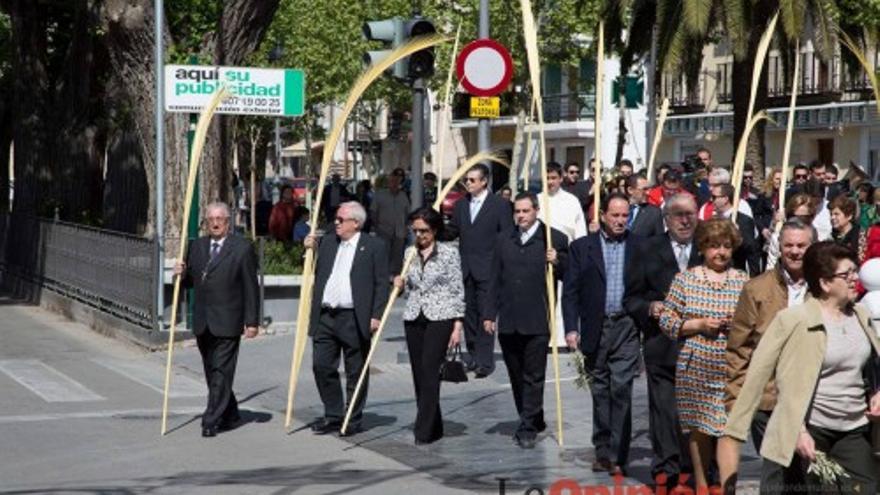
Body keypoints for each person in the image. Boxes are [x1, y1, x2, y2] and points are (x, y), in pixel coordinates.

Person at [719, 241, 880, 495]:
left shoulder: (861, 314)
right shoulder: (794, 320)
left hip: (853, 428)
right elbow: (760, 371)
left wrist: (876, 391)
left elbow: (872, 365)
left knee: (868, 487)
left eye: (854, 272)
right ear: (825, 283)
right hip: (810, 429)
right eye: (846, 274)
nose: (854, 279)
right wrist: (736, 429)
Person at [658, 218, 749, 491]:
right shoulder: (685, 279)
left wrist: (738, 324)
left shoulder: (743, 281)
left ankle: (727, 485)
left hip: (731, 366)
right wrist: (697, 325)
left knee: (728, 429)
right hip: (695, 364)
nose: (720, 252)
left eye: (725, 246)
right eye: (713, 246)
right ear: (702, 248)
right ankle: (701, 483)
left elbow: (755, 322)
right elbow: (666, 320)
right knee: (699, 429)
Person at [623, 193, 702, 488]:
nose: (685, 220)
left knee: (697, 409)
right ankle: (666, 466)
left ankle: (697, 464)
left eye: (690, 214)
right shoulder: (646, 249)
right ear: (666, 219)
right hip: (663, 344)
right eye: (678, 214)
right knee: (664, 410)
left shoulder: (709, 247)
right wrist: (650, 308)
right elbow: (631, 298)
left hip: (702, 346)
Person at [563, 193, 643, 474]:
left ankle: (619, 456)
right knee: (600, 390)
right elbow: (570, 291)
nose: (621, 221)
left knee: (621, 387)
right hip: (596, 326)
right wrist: (571, 328)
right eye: (615, 215)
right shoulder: (582, 248)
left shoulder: (638, 246)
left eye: (625, 215)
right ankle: (603, 450)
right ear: (603, 216)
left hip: (627, 326)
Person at [725, 219, 815, 453]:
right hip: (768, 397)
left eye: (801, 246)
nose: (794, 252)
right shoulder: (756, 289)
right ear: (779, 247)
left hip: (815, 399)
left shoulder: (824, 287)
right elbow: (739, 347)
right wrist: (735, 398)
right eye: (789, 246)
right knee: (775, 472)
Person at [487, 192, 568, 449]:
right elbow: (494, 279)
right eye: (517, 211)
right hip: (510, 319)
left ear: (536, 210)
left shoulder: (553, 239)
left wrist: (558, 260)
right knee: (516, 375)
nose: (521, 216)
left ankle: (527, 426)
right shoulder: (503, 239)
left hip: (537, 318)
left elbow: (570, 272)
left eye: (526, 211)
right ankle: (533, 414)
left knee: (534, 375)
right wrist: (489, 314)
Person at [174, 202, 259, 438]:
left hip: (229, 320)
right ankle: (230, 412)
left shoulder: (241, 248)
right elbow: (192, 281)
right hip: (203, 321)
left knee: (221, 370)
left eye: (220, 218)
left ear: (228, 222)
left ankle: (211, 419)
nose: (215, 222)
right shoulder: (197, 246)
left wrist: (252, 321)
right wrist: (181, 275)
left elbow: (251, 287)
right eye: (211, 218)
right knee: (212, 370)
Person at [304, 201, 390, 436]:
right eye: (336, 219)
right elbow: (313, 263)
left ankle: (352, 418)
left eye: (341, 220)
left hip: (354, 317)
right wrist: (308, 247)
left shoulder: (373, 246)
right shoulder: (329, 243)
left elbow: (382, 283)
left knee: (356, 370)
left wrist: (376, 314)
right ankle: (333, 414)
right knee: (321, 365)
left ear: (356, 222)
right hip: (326, 316)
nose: (336, 223)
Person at [393, 207, 464, 445]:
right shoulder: (409, 254)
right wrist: (400, 285)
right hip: (414, 316)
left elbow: (457, 289)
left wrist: (457, 324)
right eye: (415, 231)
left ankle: (422, 429)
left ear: (434, 230)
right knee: (418, 373)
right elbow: (409, 291)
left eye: (423, 230)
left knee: (430, 370)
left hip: (440, 317)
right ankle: (435, 425)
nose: (419, 235)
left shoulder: (449, 253)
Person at [446, 164, 513, 378]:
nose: (468, 183)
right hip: (466, 268)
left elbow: (506, 235)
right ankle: (474, 357)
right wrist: (435, 226)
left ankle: (486, 361)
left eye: (472, 180)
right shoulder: (461, 205)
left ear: (484, 181)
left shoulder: (500, 205)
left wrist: (503, 264)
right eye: (467, 180)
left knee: (486, 315)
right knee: (469, 317)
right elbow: (453, 231)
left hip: (489, 268)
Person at [710, 183, 761, 275]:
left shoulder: (743, 220)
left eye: (714, 197)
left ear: (725, 199)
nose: (711, 200)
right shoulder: (713, 220)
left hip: (735, 272)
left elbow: (751, 251)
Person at [370, 168, 410, 276]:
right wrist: (376, 226)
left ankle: (396, 275)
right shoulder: (380, 195)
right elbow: (373, 212)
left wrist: (406, 226)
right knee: (384, 253)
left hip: (399, 231)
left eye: (396, 182)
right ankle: (383, 275)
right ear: (388, 183)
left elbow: (407, 212)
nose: (394, 184)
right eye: (392, 181)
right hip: (384, 230)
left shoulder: (403, 196)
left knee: (398, 255)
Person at [539, 161, 587, 242]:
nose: (550, 182)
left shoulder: (572, 201)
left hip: (567, 249)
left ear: (560, 178)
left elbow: (580, 230)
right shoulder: (537, 200)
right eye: (547, 178)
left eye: (553, 178)